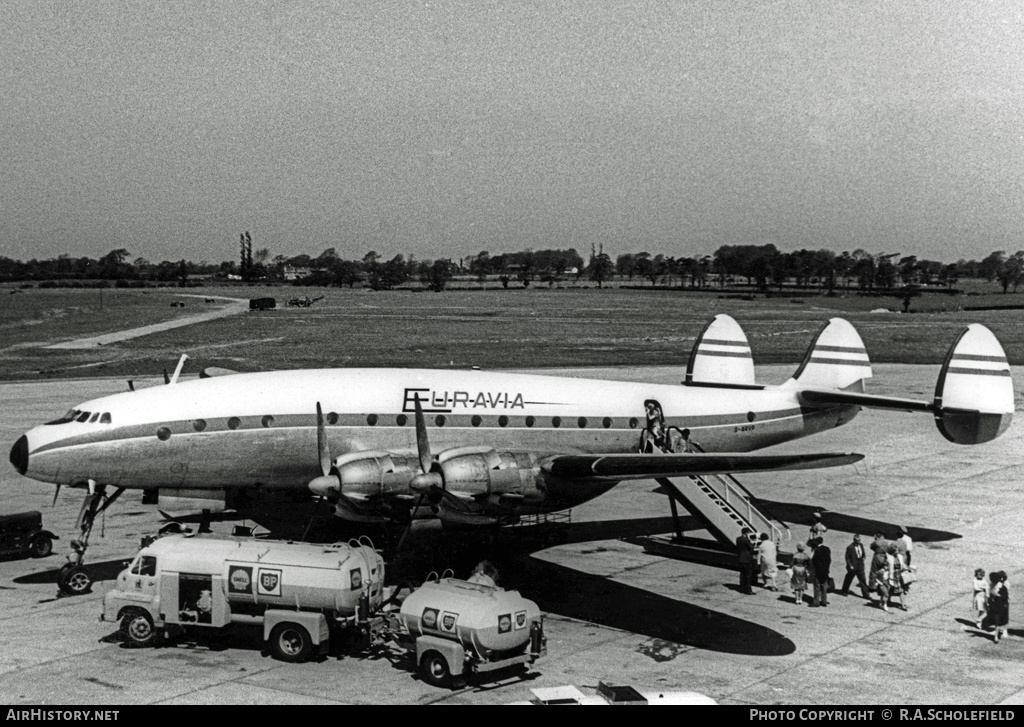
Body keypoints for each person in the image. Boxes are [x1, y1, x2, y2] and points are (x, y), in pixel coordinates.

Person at [841, 534, 869, 598]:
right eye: (857, 540)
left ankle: (866, 595)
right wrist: (850, 565)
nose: (858, 541)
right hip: (853, 567)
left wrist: (864, 557)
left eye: (859, 540)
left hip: (860, 566)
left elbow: (863, 553)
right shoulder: (850, 547)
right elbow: (847, 557)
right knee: (848, 579)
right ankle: (844, 591)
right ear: (854, 540)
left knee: (863, 580)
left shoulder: (861, 545)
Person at [870, 538, 891, 612]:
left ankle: (881, 603)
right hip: (883, 581)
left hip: (886, 581)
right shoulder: (881, 571)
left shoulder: (876, 542)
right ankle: (884, 604)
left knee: (883, 593)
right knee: (886, 593)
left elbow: (871, 547)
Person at [988, 571, 1009, 643]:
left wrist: (997, 595)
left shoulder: (1002, 587)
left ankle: (996, 637)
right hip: (994, 606)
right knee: (996, 621)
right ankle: (996, 635)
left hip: (1000, 606)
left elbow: (1005, 597)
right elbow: (990, 596)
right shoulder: (992, 585)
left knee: (998, 622)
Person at [811, 538, 832, 607]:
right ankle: (824, 601)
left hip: (818, 571)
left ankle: (816, 602)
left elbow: (814, 560)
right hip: (825, 571)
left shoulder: (817, 550)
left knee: (817, 587)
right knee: (824, 586)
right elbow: (829, 560)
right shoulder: (827, 549)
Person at [736, 527, 756, 594]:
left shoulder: (738, 539)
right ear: (747, 532)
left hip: (740, 558)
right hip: (747, 559)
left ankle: (741, 588)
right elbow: (751, 547)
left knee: (742, 574)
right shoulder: (746, 540)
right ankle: (748, 590)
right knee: (748, 575)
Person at [887, 544, 906, 611]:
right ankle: (888, 601)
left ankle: (903, 605)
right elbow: (887, 566)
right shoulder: (889, 558)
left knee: (901, 591)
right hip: (892, 575)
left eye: (897, 550)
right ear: (892, 551)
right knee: (891, 589)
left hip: (899, 575)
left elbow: (903, 565)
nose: (897, 552)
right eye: (896, 551)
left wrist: (906, 569)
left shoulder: (900, 556)